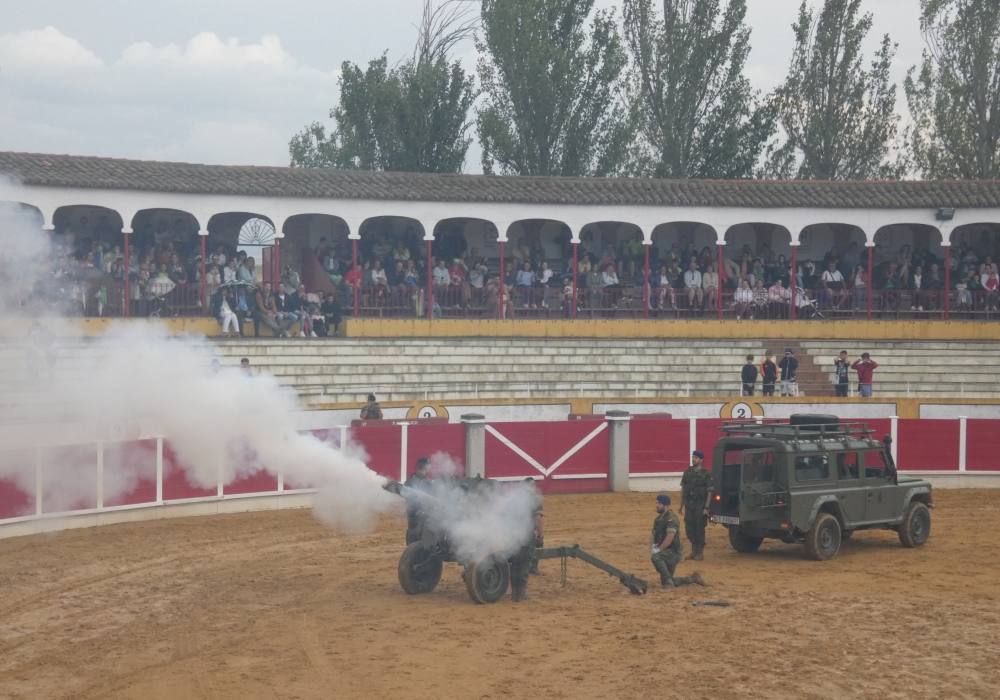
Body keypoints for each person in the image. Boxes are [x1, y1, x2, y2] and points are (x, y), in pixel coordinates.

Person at [650, 493, 705, 589]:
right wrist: (653, 546)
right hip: (666, 552)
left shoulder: (671, 518)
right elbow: (653, 535)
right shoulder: (658, 519)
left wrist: (659, 549)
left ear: (665, 505)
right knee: (667, 579)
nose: (656, 505)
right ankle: (692, 579)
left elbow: (670, 536)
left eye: (659, 503)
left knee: (656, 557)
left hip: (673, 552)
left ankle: (668, 583)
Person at [679, 450, 712, 561]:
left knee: (699, 529)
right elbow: (683, 489)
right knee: (689, 529)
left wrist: (706, 507)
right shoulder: (687, 472)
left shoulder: (706, 473)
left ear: (701, 460)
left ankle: (699, 552)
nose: (694, 459)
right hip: (689, 505)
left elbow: (710, 491)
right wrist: (681, 505)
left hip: (700, 505)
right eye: (693, 457)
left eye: (696, 458)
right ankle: (693, 551)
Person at [403, 457, 431, 544]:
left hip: (412, 517)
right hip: (420, 517)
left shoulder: (409, 482)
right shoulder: (428, 483)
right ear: (426, 467)